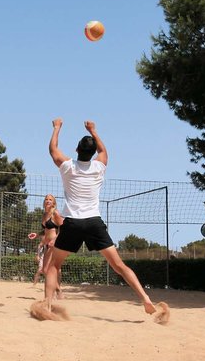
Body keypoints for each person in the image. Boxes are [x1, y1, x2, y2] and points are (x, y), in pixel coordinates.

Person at [35, 118, 169, 323]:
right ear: (93, 152)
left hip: (73, 222)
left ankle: (47, 305)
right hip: (94, 223)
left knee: (52, 266)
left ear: (77, 149)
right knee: (119, 266)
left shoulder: (68, 167)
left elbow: (53, 149)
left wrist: (56, 128)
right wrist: (94, 131)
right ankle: (146, 299)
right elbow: (104, 153)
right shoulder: (99, 167)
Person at [28, 194, 64, 297]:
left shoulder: (55, 213)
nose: (48, 201)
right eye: (46, 199)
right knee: (44, 270)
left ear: (54, 203)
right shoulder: (44, 215)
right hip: (47, 244)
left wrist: (55, 239)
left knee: (49, 269)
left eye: (50, 200)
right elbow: (46, 230)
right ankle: (57, 290)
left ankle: (50, 296)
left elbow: (64, 229)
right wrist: (37, 234)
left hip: (55, 244)